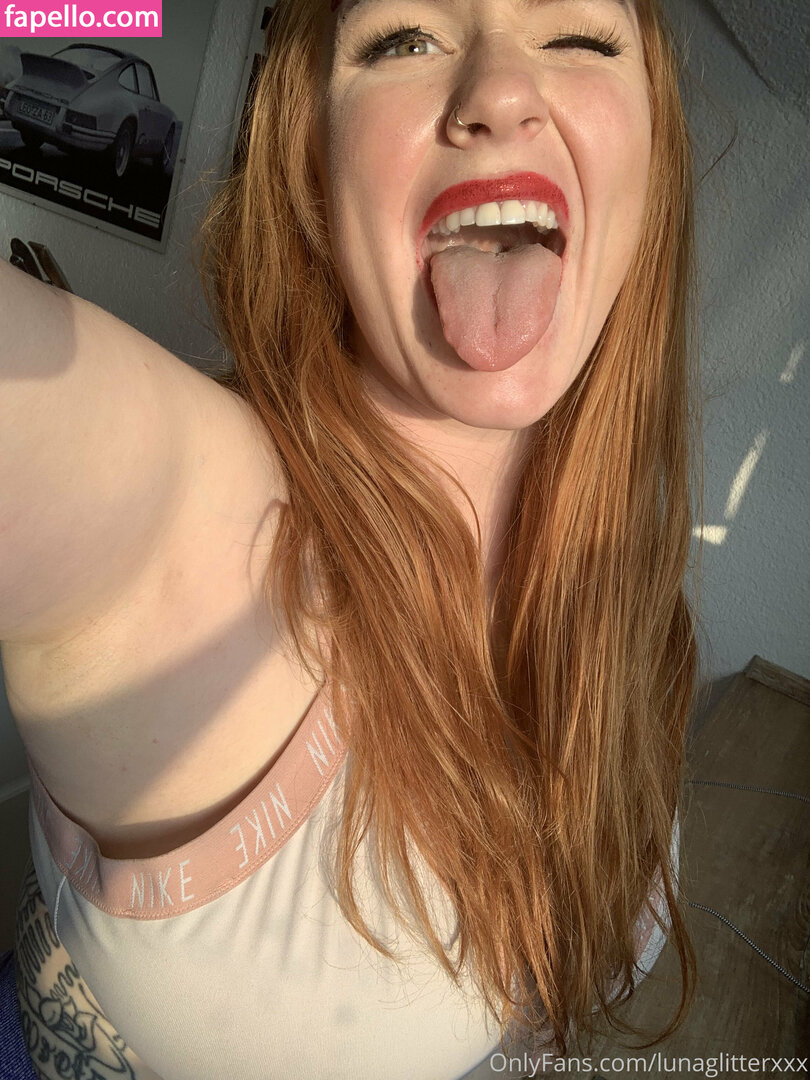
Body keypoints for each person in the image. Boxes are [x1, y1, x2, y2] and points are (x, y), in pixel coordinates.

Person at [0, 0, 699, 1076]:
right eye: (404, 39)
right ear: (313, 164)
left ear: (652, 165)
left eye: (578, 36)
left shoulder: (641, 610)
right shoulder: (204, 522)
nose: (500, 93)